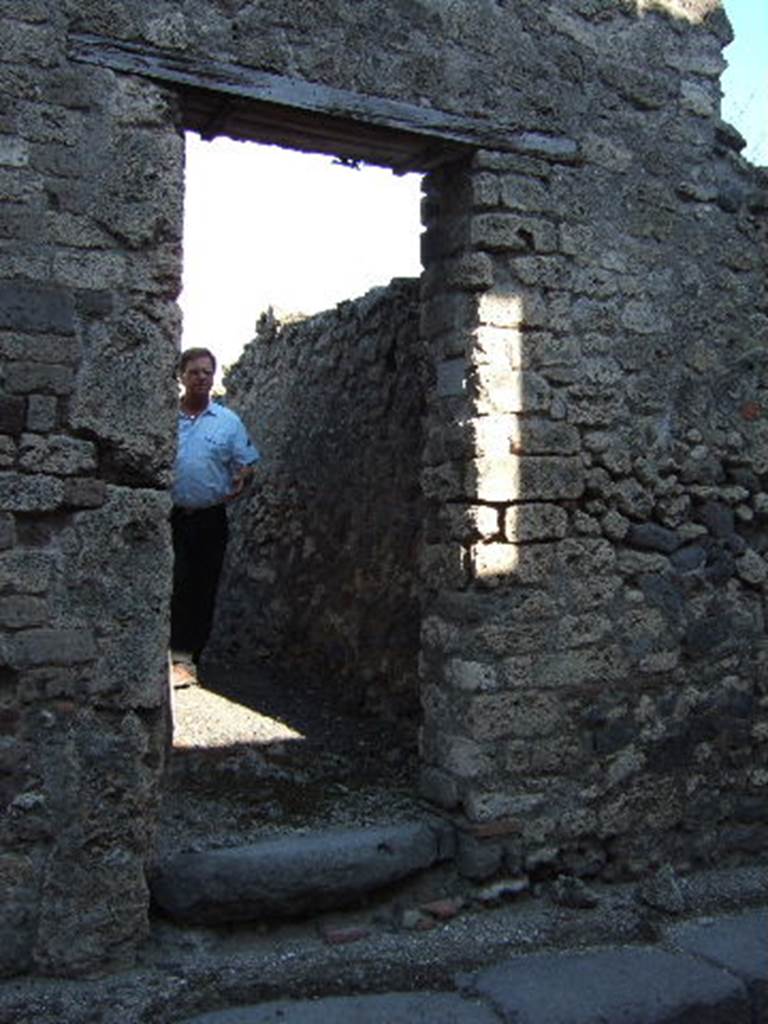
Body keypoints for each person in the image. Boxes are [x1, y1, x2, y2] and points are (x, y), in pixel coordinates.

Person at [170, 347, 260, 683]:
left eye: (207, 372)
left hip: (209, 519)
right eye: (194, 371)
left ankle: (186, 658)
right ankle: (167, 652)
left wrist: (244, 476)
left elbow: (248, 461)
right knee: (173, 583)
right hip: (170, 516)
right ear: (181, 376)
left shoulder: (228, 422)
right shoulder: (166, 417)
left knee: (202, 587)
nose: (201, 378)